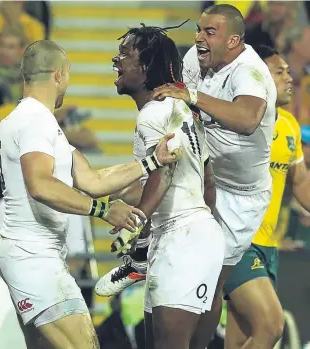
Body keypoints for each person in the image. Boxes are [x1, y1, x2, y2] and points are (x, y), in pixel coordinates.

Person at [96, 4, 277, 349]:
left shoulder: (249, 71)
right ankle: (142, 254)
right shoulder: (182, 80)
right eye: (198, 29)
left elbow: (247, 118)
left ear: (234, 40)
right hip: (199, 196)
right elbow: (190, 174)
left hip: (240, 194)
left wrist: (135, 219)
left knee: (216, 283)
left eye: (210, 32)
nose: (198, 37)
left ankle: (141, 253)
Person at [0, 39, 179, 349]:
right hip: (31, 257)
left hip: (30, 254)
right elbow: (39, 185)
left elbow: (92, 179)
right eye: (68, 75)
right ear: (58, 75)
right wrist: (105, 210)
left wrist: (152, 161)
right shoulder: (34, 121)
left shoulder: (34, 122)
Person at [97, 22, 226, 349]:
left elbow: (164, 174)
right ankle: (139, 263)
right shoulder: (180, 110)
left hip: (181, 242)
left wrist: (136, 223)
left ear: (144, 67)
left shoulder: (153, 114)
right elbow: (205, 181)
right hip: (194, 237)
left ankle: (136, 262)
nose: (116, 59)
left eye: (124, 54)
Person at [212, 45, 310, 349]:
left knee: (242, 339)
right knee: (271, 325)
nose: (288, 77)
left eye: (288, 71)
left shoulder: (289, 126)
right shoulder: (238, 126)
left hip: (269, 247)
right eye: (278, 72)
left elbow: (301, 182)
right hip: (238, 242)